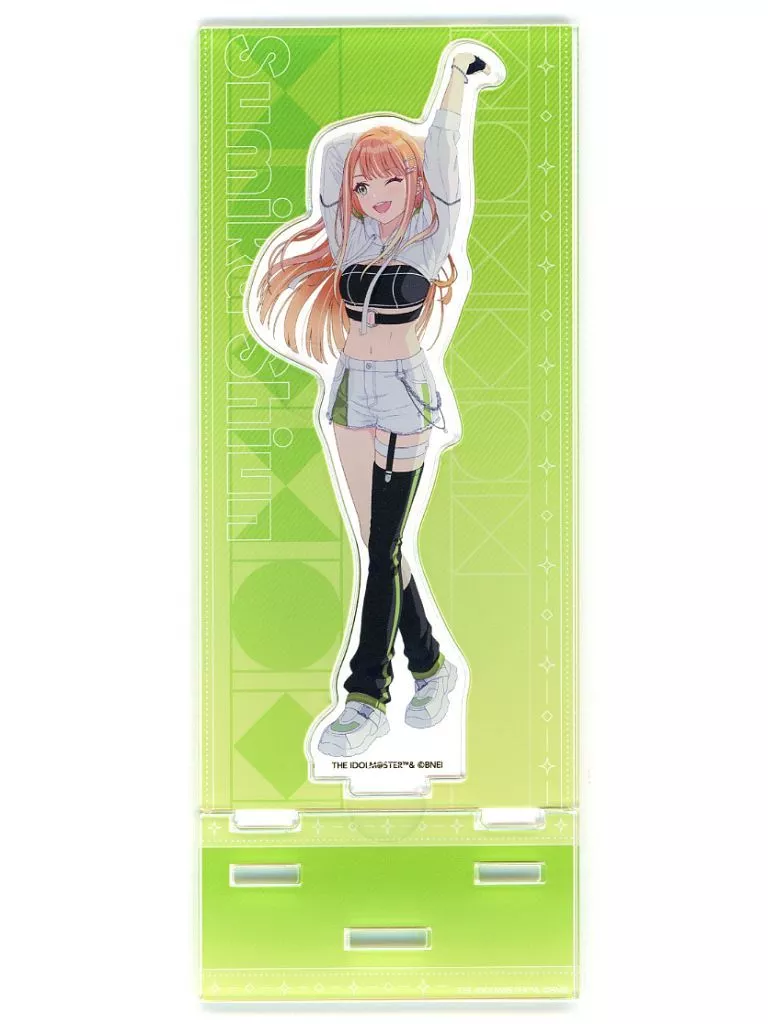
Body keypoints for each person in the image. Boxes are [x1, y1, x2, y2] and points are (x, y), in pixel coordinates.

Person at [252, 52, 492, 756]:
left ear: (416, 183)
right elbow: (331, 161)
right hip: (351, 391)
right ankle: (432, 666)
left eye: (393, 179)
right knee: (379, 547)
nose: (377, 193)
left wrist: (455, 80)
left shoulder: (430, 234)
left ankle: (366, 697)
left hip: (404, 395)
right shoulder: (350, 237)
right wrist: (361, 146)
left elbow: (444, 160)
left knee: (382, 548)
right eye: (366, 183)